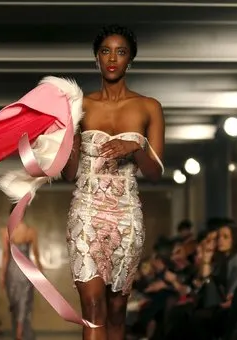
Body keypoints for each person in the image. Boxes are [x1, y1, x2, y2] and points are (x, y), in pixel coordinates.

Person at [62, 24, 165, 340]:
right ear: (96, 57)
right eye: (105, 51)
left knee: (117, 312)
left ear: (130, 59)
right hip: (87, 212)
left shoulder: (149, 106)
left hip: (126, 215)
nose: (112, 58)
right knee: (93, 309)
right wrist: (64, 138)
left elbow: (155, 172)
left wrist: (137, 147)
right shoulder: (80, 106)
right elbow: (69, 174)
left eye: (121, 52)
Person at [0, 206, 42, 340]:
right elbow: (35, 254)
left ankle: (18, 333)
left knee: (15, 302)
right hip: (26, 269)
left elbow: (6, 255)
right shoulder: (31, 231)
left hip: (12, 270)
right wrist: (40, 272)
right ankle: (21, 332)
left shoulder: (5, 231)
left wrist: (2, 275)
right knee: (24, 301)